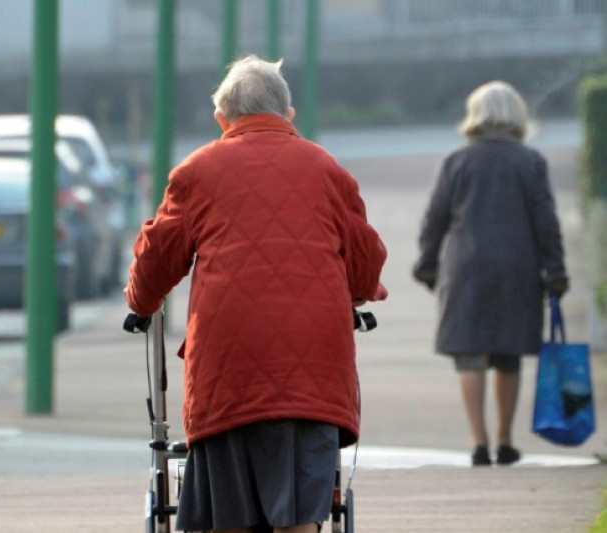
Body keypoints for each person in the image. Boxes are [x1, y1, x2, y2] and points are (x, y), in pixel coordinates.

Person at [125, 55, 387, 533]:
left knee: (230, 517)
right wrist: (364, 291)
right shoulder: (327, 169)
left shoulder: (195, 172)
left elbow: (156, 257)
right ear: (288, 115)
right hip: (311, 367)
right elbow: (366, 259)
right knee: (300, 518)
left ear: (221, 119)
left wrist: (141, 303)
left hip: (228, 367)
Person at [412, 80, 568, 467]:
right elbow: (546, 222)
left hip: (466, 269)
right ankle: (505, 440)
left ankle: (478, 442)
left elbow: (435, 219)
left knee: (470, 356)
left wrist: (427, 264)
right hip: (517, 269)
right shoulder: (531, 162)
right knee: (507, 355)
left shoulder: (457, 162)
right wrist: (556, 270)